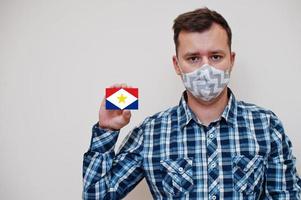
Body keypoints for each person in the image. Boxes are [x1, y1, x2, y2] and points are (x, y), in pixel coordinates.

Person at [82, 7, 301, 200]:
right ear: (177, 65)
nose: (206, 69)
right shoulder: (150, 132)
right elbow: (96, 195)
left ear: (231, 60)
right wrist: (107, 130)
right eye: (193, 58)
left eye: (216, 56)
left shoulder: (266, 125)